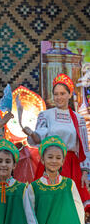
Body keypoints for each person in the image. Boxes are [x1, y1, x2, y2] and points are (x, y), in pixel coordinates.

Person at [23, 73, 90, 213]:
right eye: (56, 94)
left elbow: (83, 146)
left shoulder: (78, 119)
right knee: (47, 203)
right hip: (49, 163)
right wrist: (31, 134)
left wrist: (84, 171)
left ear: (70, 94)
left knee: (71, 204)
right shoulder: (46, 115)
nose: (59, 97)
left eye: (62, 93)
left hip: (71, 164)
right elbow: (38, 138)